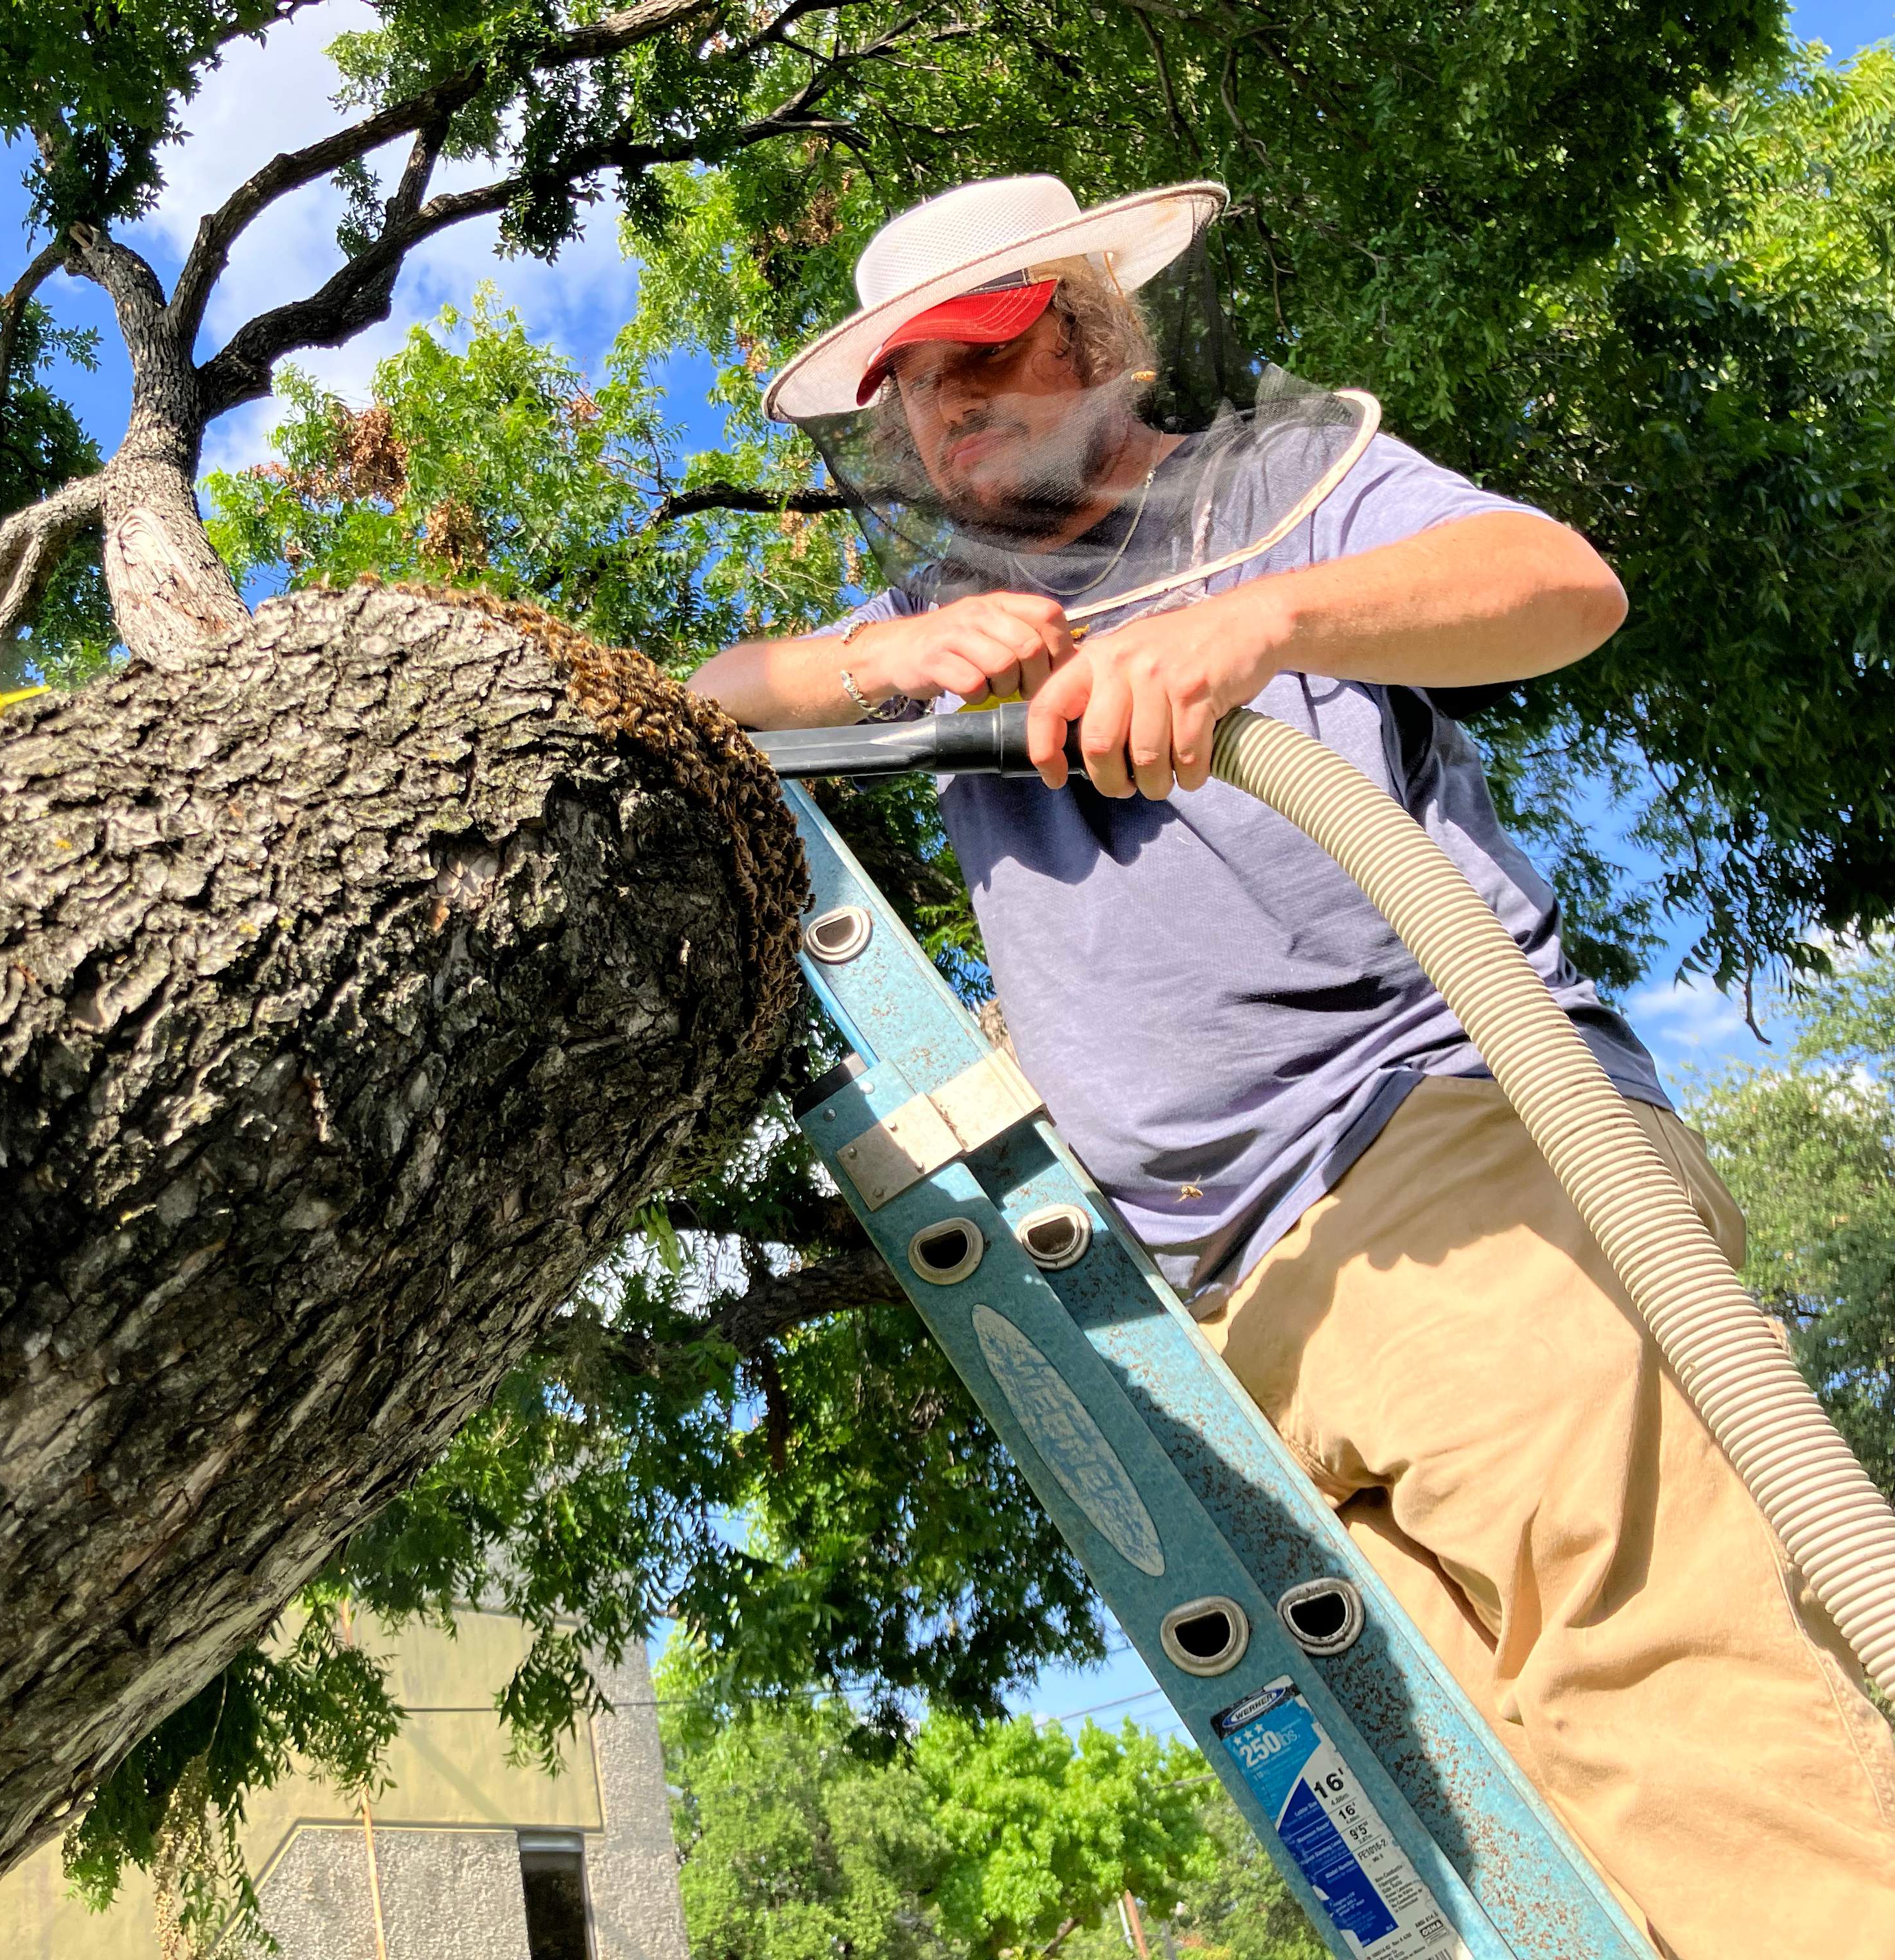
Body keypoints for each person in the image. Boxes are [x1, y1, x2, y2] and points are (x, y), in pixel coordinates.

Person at [688, 174, 1895, 1959]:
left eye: (980, 348)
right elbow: (682, 706)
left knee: (1674, 1706)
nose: (944, 400)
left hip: (1446, 1157)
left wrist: (1261, 626)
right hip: (1211, 1314)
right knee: (1498, 1851)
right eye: (907, 382)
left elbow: (1556, 583)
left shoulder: (1270, 497)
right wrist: (859, 659)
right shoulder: (944, 625)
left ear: (1093, 330)